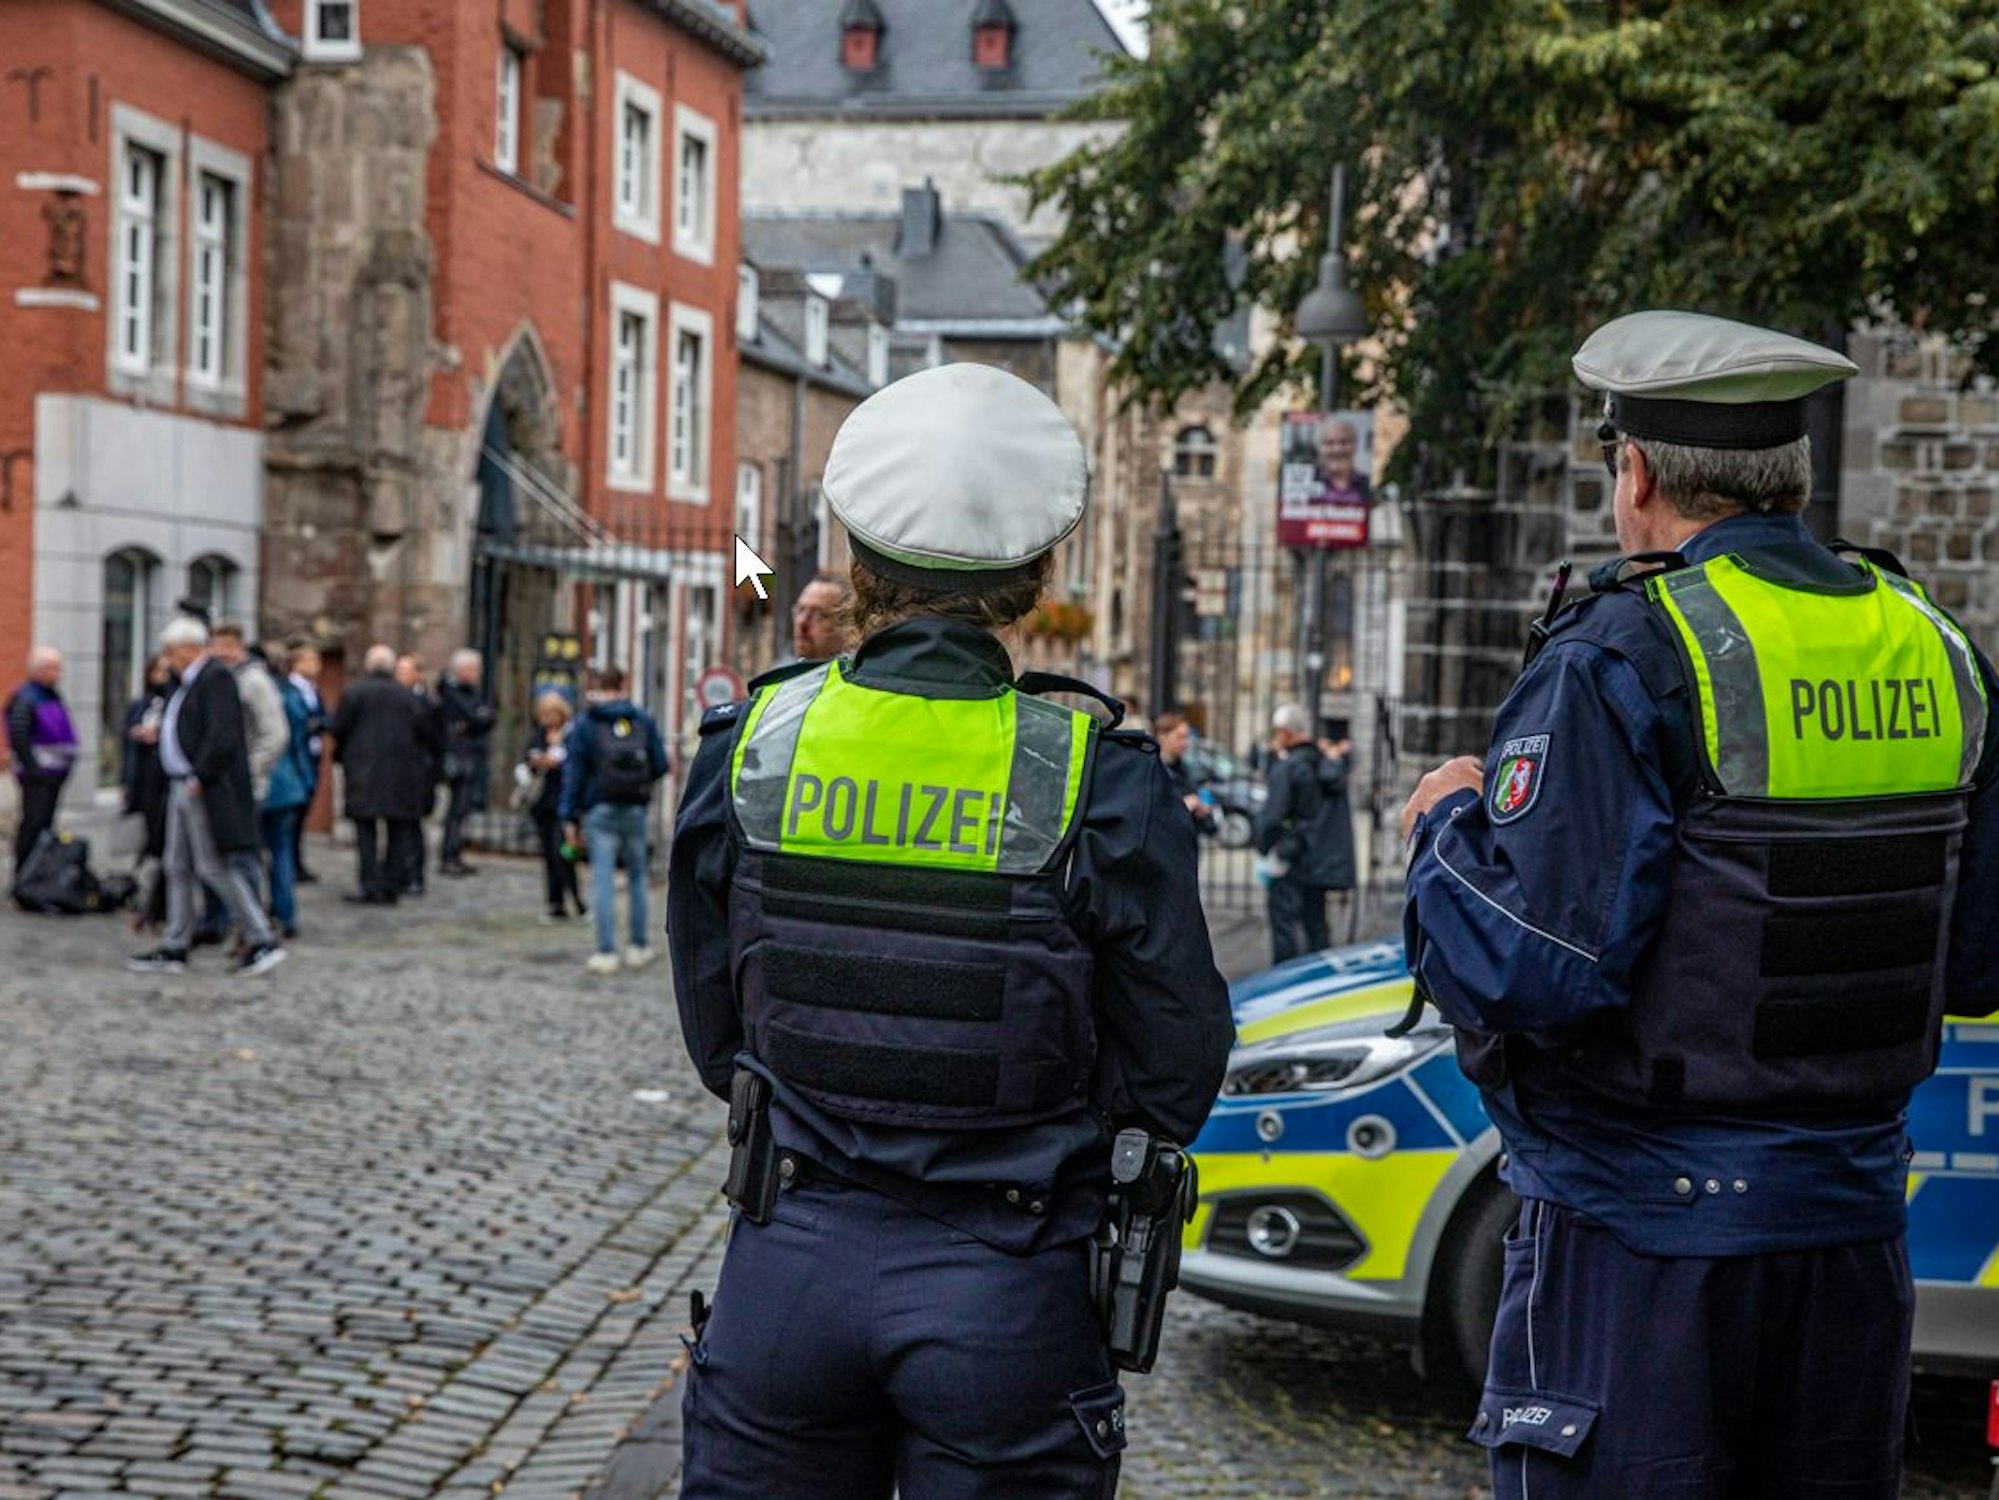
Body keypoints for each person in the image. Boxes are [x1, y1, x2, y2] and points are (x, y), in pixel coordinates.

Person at [1401, 311, 1999, 1499]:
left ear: (1636, 476)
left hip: (1644, 1245)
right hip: (1849, 1240)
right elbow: (1976, 962)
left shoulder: (1625, 651)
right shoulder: (1933, 647)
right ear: (1795, 475)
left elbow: (1531, 967)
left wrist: (1439, 831)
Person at [667, 362, 1235, 1499]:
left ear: (857, 559)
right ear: (1033, 575)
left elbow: (712, 1020)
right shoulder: (1094, 777)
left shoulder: (756, 744)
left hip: (788, 1265)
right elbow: (1177, 1064)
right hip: (1008, 1278)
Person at [127, 617, 286, 976]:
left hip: (201, 785)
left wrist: (202, 773)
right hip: (181, 783)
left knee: (213, 865)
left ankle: (260, 937)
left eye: (170, 652)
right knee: (177, 865)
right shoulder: (184, 682)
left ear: (187, 648)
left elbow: (223, 733)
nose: (166, 660)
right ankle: (175, 944)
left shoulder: (214, 678)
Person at [561, 665, 667, 974]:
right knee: (637, 876)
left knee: (603, 879)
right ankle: (639, 946)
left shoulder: (586, 724)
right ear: (623, 685)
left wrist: (569, 815)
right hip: (634, 806)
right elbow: (660, 764)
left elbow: (574, 774)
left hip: (599, 808)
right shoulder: (641, 719)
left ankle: (606, 951)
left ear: (598, 686)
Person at [331, 644, 440, 905]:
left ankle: (370, 884)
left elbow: (338, 727)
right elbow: (427, 733)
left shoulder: (355, 693)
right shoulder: (407, 697)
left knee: (366, 833)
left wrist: (343, 756)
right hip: (401, 773)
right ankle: (392, 883)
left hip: (363, 771)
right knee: (398, 831)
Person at [1255, 703, 1354, 963]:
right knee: (1316, 925)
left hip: (1290, 858)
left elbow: (1272, 818)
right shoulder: (1323, 763)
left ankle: (1287, 987)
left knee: (1285, 928)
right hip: (1317, 860)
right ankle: (1318, 981)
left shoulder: (1290, 767)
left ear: (1286, 733)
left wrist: (1265, 848)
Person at [211, 622, 289, 920]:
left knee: (245, 856)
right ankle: (226, 917)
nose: (218, 652)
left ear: (237, 647)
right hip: (226, 782)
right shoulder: (223, 678)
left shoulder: (254, 681)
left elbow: (274, 734)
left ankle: (251, 921)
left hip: (245, 785)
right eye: (215, 645)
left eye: (224, 646)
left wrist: (251, 771)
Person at [6, 646, 77, 899]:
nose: (58, 674)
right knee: (33, 825)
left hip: (52, 775)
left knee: (44, 826)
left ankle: (37, 876)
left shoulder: (50, 696)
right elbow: (19, 735)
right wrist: (34, 770)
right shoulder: (27, 698)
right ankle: (23, 878)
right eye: (52, 668)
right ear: (37, 670)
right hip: (38, 777)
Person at [263, 652, 321, 940]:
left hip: (271, 784)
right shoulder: (293, 697)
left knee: (255, 854)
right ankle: (283, 912)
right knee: (280, 850)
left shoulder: (279, 698)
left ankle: (265, 914)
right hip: (289, 782)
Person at [121, 653, 175, 928]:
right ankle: (147, 897)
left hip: (165, 780)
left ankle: (157, 904)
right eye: (158, 671)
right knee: (150, 838)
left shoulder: (173, 703)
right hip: (145, 781)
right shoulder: (140, 704)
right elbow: (126, 743)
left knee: (161, 841)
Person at [520, 691, 584, 922]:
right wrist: (535, 763)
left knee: (564, 853)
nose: (547, 718)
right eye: (544, 714)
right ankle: (554, 903)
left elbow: (577, 763)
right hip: (542, 802)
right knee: (548, 854)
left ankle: (578, 901)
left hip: (563, 801)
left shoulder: (571, 735)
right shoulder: (538, 735)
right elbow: (525, 762)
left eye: (551, 713)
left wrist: (558, 762)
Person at [436, 648, 496, 877]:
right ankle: (449, 854)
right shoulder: (451, 691)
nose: (478, 674)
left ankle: (454, 852)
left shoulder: (470, 691)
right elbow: (474, 715)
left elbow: (486, 716)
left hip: (470, 753)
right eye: (474, 669)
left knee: (462, 809)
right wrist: (476, 719)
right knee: (456, 809)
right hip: (458, 756)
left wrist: (477, 719)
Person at [393, 652, 441, 896]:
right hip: (399, 771)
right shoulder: (397, 698)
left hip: (419, 773)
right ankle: (398, 873)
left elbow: (434, 740)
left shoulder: (427, 702)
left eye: (404, 671)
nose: (399, 676)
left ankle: (414, 876)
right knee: (400, 826)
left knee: (413, 826)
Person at [286, 643, 328, 884]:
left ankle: (297, 861)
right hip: (296, 758)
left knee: (303, 812)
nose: (316, 666)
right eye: (311, 660)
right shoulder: (290, 690)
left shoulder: (313, 690)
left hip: (312, 755)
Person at [1153, 711, 1215, 832]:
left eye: (1187, 737)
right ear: (1162, 736)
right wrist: (1182, 806)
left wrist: (1201, 811)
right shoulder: (1149, 769)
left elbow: (1207, 823)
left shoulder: (1186, 770)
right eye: (1180, 737)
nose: (1185, 743)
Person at [790, 572, 855, 663]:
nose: (802, 622)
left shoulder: (856, 675)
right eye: (800, 610)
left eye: (819, 616)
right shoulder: (782, 674)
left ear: (848, 628)